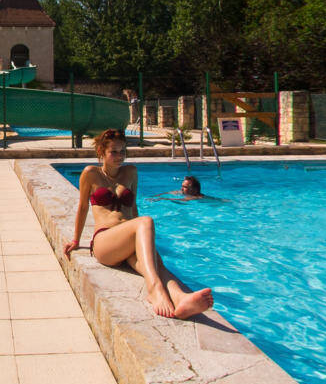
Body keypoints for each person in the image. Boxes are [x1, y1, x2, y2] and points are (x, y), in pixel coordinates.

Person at [63, 128, 214, 319]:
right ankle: (154, 289)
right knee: (146, 222)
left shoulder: (131, 172)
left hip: (129, 237)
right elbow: (83, 207)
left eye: (123, 151)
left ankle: (182, 298)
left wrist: (144, 241)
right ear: (102, 152)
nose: (120, 156)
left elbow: (133, 209)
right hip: (105, 242)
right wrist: (76, 240)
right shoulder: (90, 173)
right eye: (114, 152)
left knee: (156, 264)